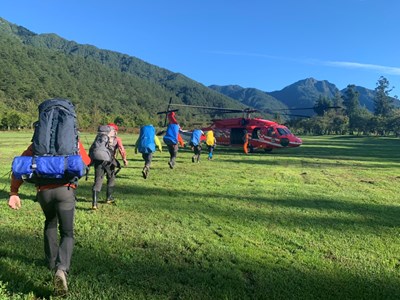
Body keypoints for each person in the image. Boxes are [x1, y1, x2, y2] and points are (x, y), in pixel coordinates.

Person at [8, 101, 91, 297]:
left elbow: (19, 167)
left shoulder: (37, 144)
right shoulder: (73, 142)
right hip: (66, 191)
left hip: (43, 192)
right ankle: (61, 269)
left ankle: (51, 262)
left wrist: (14, 193)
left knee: (50, 223)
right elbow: (85, 162)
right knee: (68, 233)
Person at [91, 123, 128, 209]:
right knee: (111, 178)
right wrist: (124, 159)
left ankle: (94, 203)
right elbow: (121, 149)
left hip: (98, 160)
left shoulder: (100, 138)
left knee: (98, 180)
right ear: (114, 131)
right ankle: (108, 197)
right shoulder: (117, 139)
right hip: (110, 161)